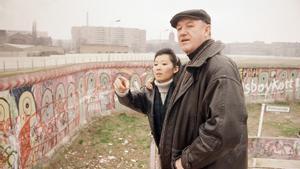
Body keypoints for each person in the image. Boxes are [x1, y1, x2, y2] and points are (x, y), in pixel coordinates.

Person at [157, 9, 248, 169]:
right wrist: (154, 80)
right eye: (179, 29)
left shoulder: (220, 68)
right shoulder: (190, 68)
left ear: (207, 30)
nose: (182, 33)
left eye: (190, 26)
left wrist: (185, 162)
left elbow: (225, 130)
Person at [113, 48, 181, 149]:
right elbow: (131, 100)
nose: (158, 68)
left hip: (182, 151)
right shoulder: (149, 92)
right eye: (156, 64)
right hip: (160, 148)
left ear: (176, 69)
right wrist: (122, 91)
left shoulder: (183, 91)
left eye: (164, 64)